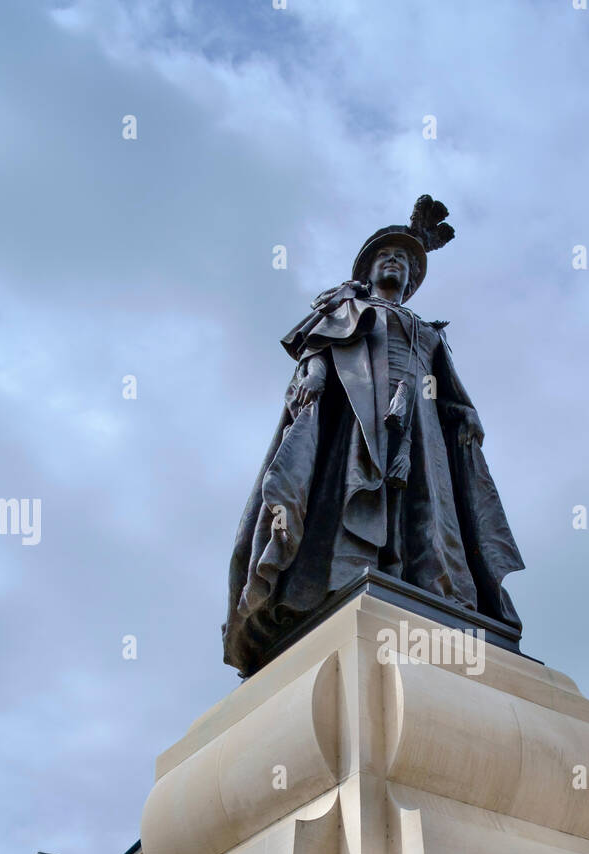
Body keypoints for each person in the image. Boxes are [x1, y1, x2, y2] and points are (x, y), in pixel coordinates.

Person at [223, 196, 524, 677]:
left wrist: (463, 413)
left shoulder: (426, 330)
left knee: (427, 503)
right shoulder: (350, 307)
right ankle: (347, 574)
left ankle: (427, 586)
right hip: (358, 412)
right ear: (367, 270)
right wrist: (314, 374)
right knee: (352, 488)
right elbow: (321, 348)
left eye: (403, 260)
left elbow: (445, 386)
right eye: (385, 256)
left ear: (412, 279)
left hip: (421, 425)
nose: (394, 262)